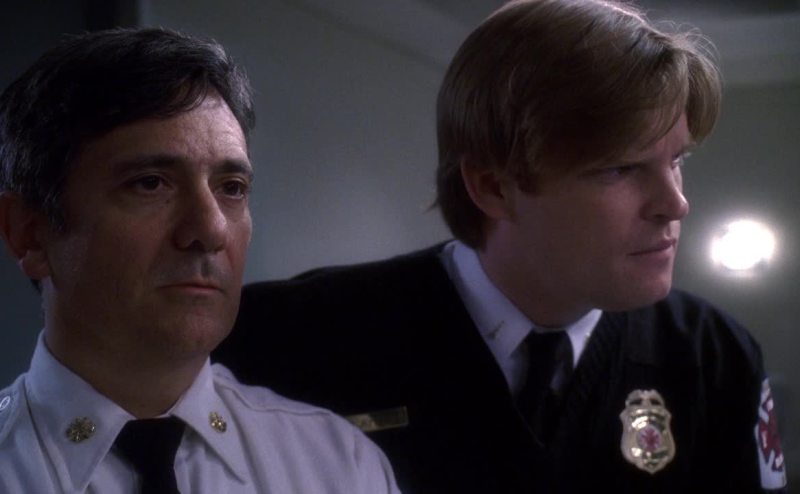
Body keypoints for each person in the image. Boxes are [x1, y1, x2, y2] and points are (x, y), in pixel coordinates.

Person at [212, 0, 789, 492]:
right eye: (621, 169)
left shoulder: (713, 357)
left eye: (677, 160)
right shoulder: (287, 339)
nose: (675, 203)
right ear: (493, 187)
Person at [0, 27, 401, 493]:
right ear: (29, 234)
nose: (211, 231)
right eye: (150, 183)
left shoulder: (339, 465)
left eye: (231, 188)